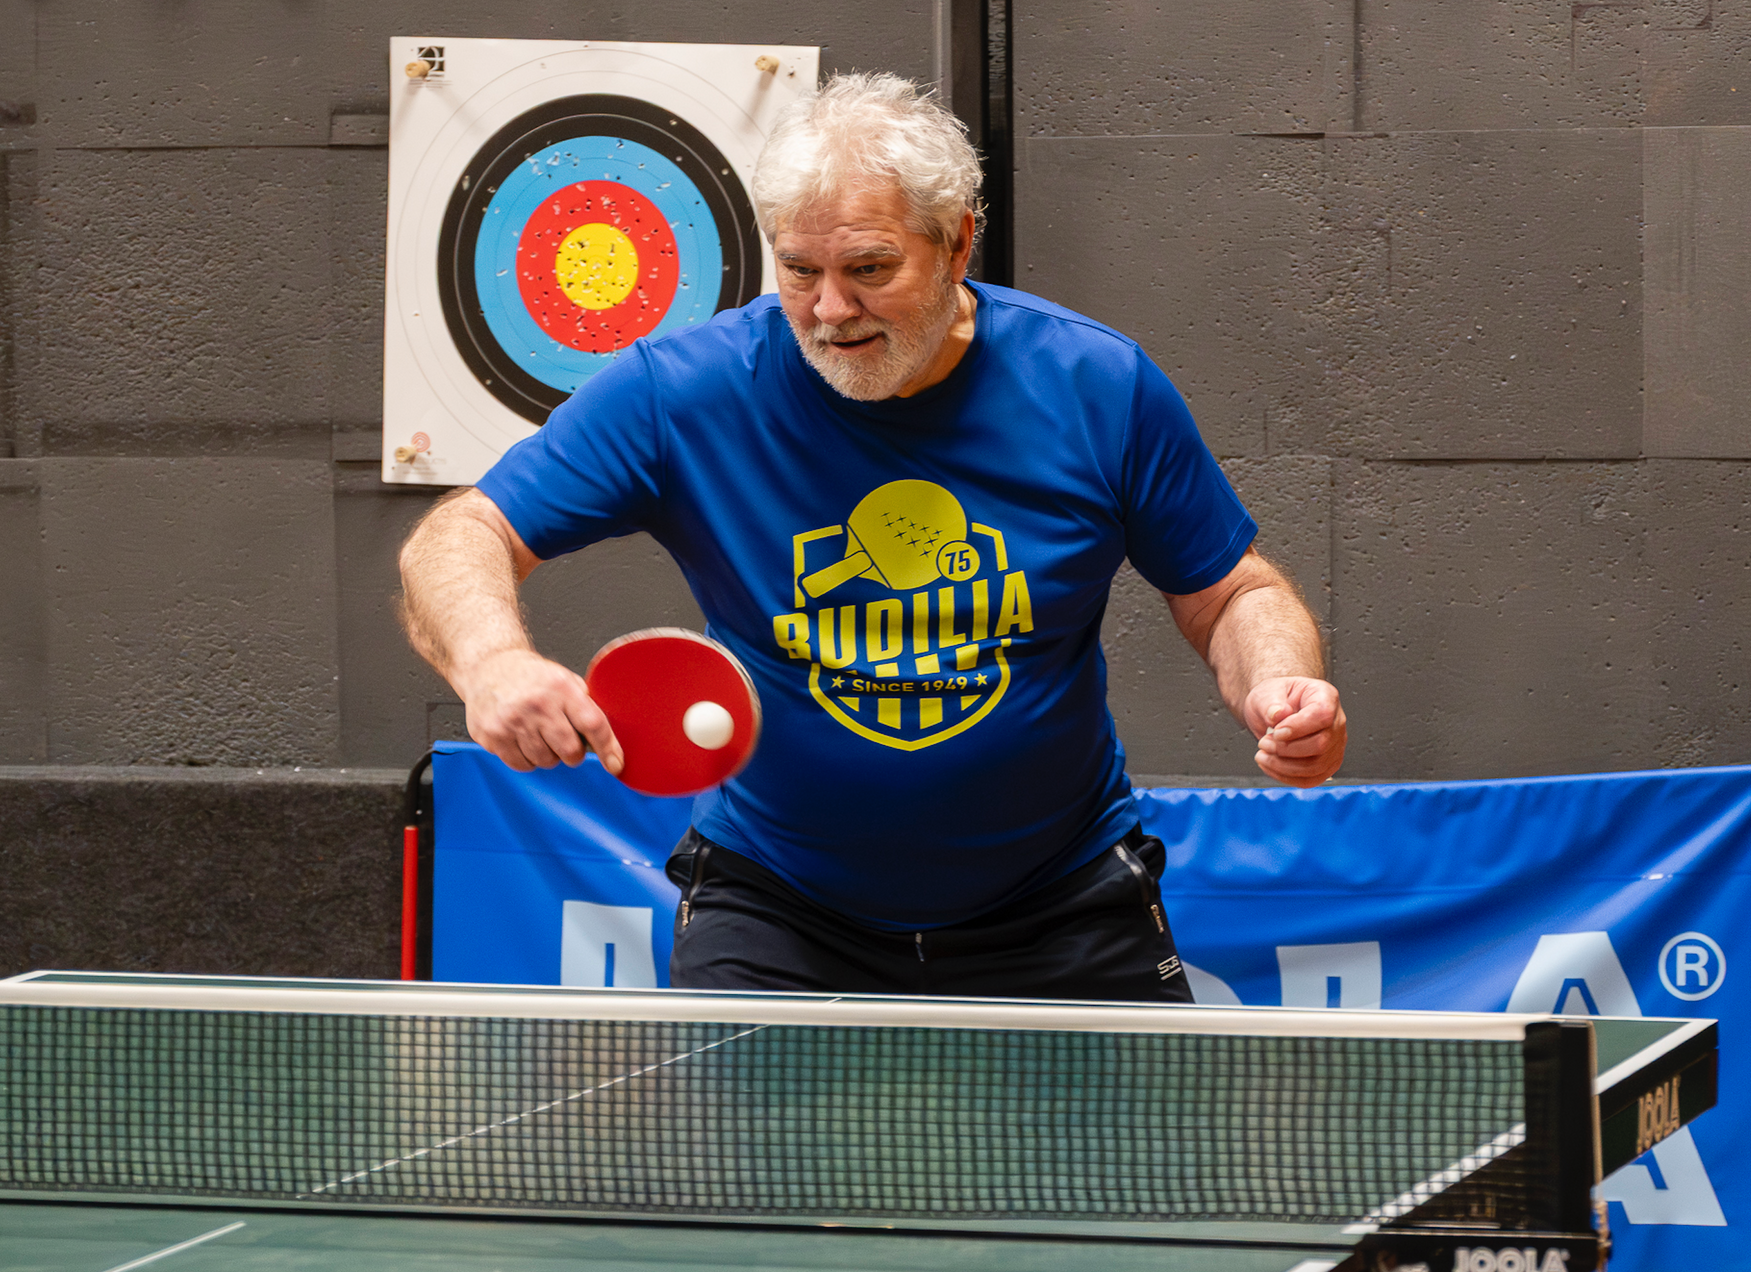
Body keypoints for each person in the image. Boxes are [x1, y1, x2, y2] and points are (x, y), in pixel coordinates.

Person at [399, 73, 1347, 1001]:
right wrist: (492, 663)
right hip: (776, 908)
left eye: (869, 269)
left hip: (1060, 901)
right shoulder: (683, 393)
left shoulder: (1097, 385)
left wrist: (1279, 686)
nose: (829, 310)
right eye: (799, 271)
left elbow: (1231, 592)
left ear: (959, 242)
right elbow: (462, 533)